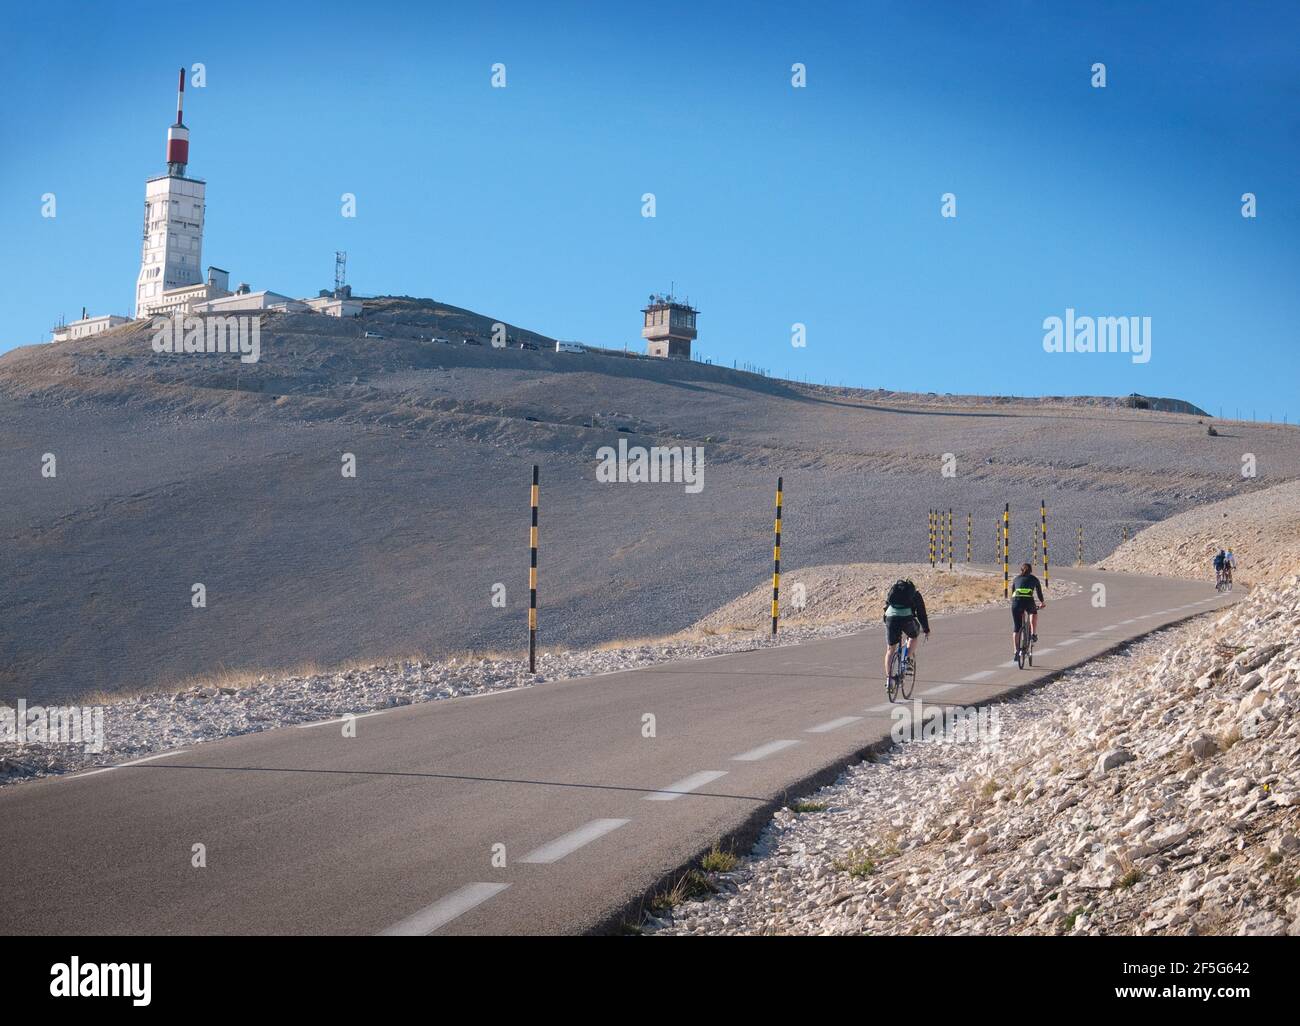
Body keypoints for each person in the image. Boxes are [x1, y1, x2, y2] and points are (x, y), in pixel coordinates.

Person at [882, 577, 929, 687]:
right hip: (907, 619)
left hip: (891, 618)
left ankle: (889, 680)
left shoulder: (893, 591)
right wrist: (926, 629)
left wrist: (886, 622)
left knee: (890, 649)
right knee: (913, 636)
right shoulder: (915, 594)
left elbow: (886, 607)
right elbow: (921, 613)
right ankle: (907, 659)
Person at [1010, 562, 1045, 658]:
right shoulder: (1034, 579)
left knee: (1016, 628)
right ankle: (1033, 634)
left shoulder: (1016, 579)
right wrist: (1042, 603)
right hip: (1028, 601)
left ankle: (1015, 651)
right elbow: (1039, 593)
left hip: (1016, 603)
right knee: (1033, 613)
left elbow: (1012, 593)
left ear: (1021, 570)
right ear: (1031, 571)